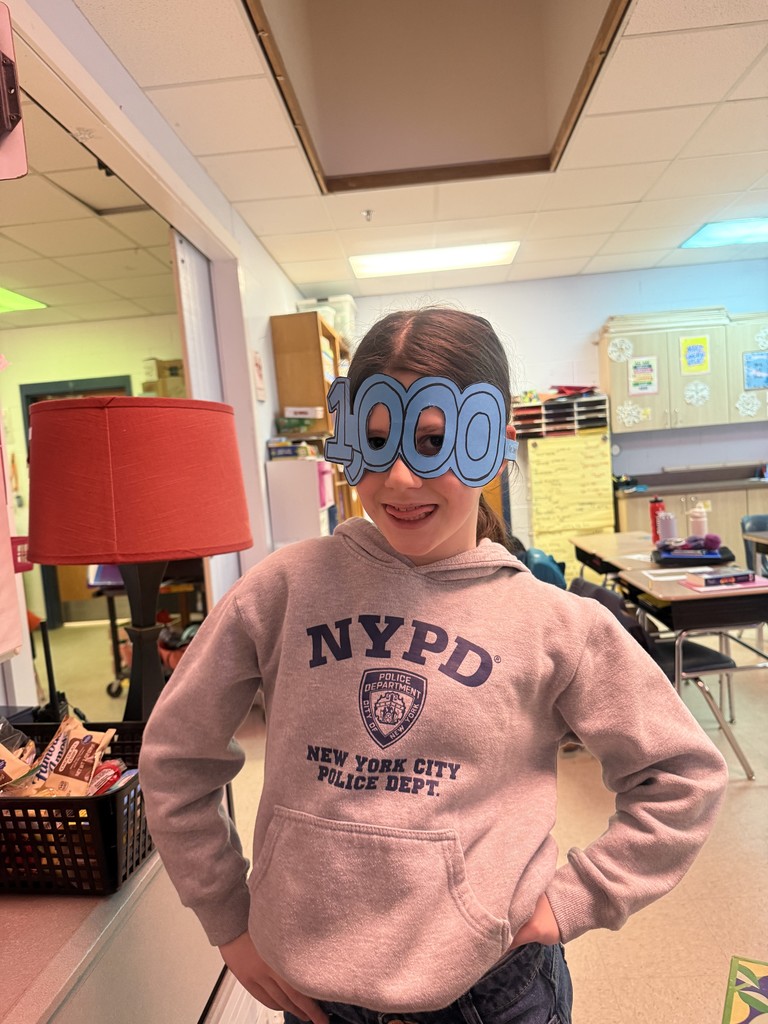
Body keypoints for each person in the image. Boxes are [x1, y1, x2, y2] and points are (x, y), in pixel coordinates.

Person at [139, 307, 728, 1024]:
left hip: (494, 994)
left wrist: (575, 899)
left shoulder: (552, 622)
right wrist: (227, 919)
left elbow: (684, 775)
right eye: (377, 440)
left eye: (433, 442)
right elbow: (174, 756)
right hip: (318, 995)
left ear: (492, 442)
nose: (399, 477)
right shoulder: (281, 590)